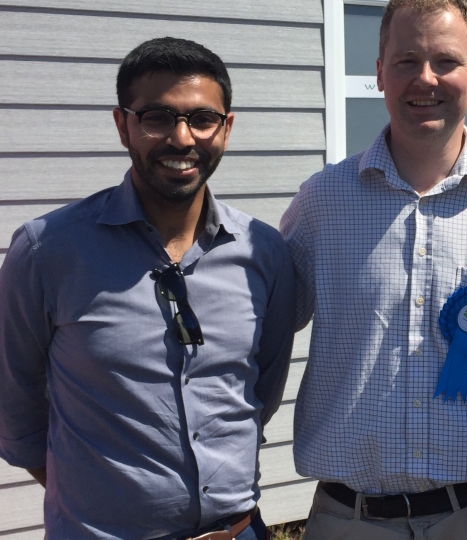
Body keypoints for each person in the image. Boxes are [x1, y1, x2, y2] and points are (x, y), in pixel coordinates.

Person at [280, 0, 467, 538]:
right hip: (348, 519)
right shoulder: (322, 202)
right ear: (379, 73)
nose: (425, 78)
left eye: (445, 61)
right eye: (406, 60)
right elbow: (261, 331)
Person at [0, 37, 295, 539]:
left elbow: (259, 392)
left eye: (203, 119)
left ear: (226, 128)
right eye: (157, 117)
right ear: (123, 125)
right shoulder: (48, 251)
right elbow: (14, 407)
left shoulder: (264, 254)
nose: (182, 139)